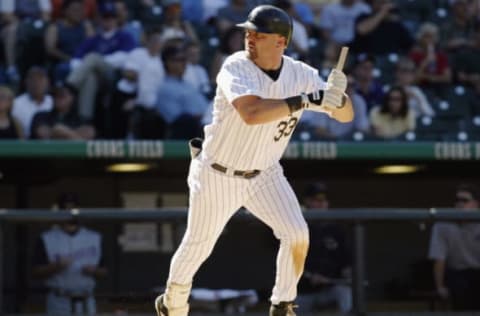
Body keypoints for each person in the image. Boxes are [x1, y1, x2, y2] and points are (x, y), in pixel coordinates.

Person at [154, 4, 353, 316]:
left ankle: (282, 304)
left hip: (265, 175)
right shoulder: (236, 66)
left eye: (259, 34)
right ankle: (173, 303)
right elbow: (252, 113)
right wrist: (306, 100)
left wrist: (339, 99)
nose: (249, 38)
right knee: (199, 245)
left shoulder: (300, 74)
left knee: (297, 234)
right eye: (248, 32)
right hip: (218, 171)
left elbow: (346, 116)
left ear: (281, 42)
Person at [32, 192, 107, 316]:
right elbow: (35, 272)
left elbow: (105, 271)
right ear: (59, 211)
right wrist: (55, 266)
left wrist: (94, 271)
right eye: (65, 209)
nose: (69, 212)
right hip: (59, 299)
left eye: (73, 208)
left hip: (86, 298)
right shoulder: (47, 238)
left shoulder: (94, 237)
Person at [297, 182, 352, 314]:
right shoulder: (297, 228)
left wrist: (348, 275)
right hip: (302, 291)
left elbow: (346, 261)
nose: (322, 204)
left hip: (330, 289)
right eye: (316, 200)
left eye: (324, 200)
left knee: (345, 293)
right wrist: (310, 276)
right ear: (307, 202)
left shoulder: (336, 230)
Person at [428, 183, 480, 311]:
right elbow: (439, 259)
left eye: (465, 200)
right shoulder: (443, 224)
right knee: (460, 289)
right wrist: (440, 287)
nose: (459, 204)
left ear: (476, 204)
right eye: (457, 200)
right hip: (457, 274)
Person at [30, 84, 95, 140]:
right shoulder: (40, 116)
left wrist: (60, 131)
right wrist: (74, 135)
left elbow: (90, 132)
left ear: (72, 98)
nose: (57, 97)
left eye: (62, 95)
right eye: (55, 95)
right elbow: (42, 134)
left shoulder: (82, 120)